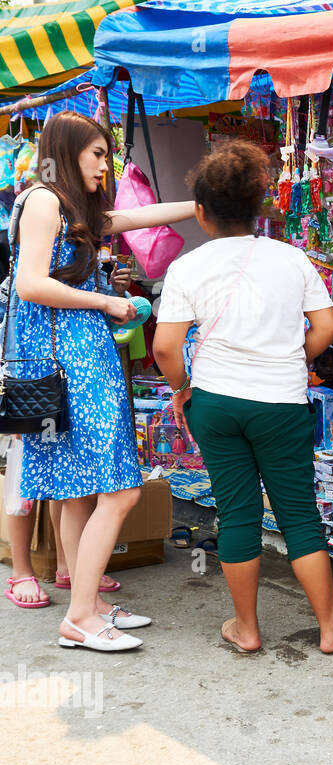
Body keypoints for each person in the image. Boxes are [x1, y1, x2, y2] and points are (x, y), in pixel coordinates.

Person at [152, 140, 333, 655]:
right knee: (298, 514)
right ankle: (332, 629)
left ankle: (246, 629)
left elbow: (165, 347)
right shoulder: (291, 259)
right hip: (281, 403)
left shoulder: (188, 267)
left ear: (201, 212)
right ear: (258, 207)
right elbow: (327, 328)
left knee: (237, 512)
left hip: (216, 404)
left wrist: (183, 389)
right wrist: (292, 357)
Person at [10, 112, 195, 652]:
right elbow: (30, 283)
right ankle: (78, 619)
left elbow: (141, 217)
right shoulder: (45, 201)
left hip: (82, 355)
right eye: (96, 155)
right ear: (68, 153)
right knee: (121, 488)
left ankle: (86, 606)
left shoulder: (78, 210)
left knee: (78, 494)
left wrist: (203, 204)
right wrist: (106, 300)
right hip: (72, 362)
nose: (104, 165)